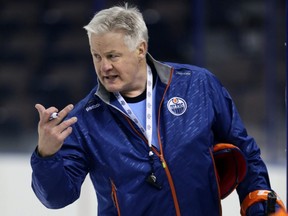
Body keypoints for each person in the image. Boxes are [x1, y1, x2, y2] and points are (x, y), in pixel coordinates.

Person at [31, 4, 286, 216]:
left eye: (112, 56)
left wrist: (259, 202)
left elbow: (245, 150)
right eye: (96, 56)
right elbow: (56, 198)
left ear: (140, 49)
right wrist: (46, 156)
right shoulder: (86, 118)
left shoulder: (197, 85)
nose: (104, 66)